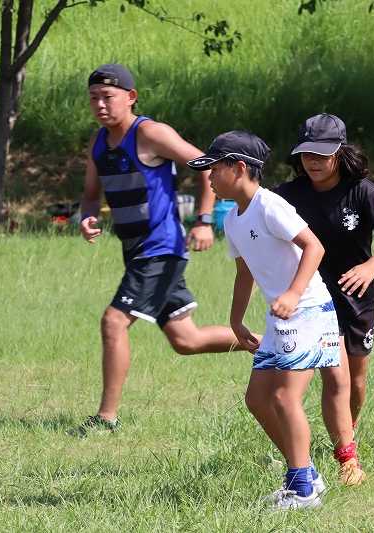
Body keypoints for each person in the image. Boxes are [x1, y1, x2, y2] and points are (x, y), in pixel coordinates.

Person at [75, 64, 247, 436]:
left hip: (161, 249)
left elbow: (206, 167)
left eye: (108, 97)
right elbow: (90, 196)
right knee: (187, 340)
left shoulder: (150, 133)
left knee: (113, 322)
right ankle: (273, 345)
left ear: (131, 97)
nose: (100, 105)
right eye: (93, 98)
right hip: (136, 252)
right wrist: (87, 217)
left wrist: (204, 220)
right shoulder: (98, 143)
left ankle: (106, 419)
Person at [188, 130, 339, 510]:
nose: (208, 177)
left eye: (214, 169)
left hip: (307, 310)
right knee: (257, 400)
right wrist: (236, 321)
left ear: (239, 168)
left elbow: (314, 247)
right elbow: (245, 273)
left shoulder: (270, 205)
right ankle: (305, 474)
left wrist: (293, 294)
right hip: (280, 318)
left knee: (285, 397)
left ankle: (302, 490)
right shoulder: (232, 220)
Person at [276, 113, 374, 471]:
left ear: (340, 152)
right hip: (311, 298)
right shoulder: (287, 196)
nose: (313, 161)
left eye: (322, 153)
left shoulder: (362, 191)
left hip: (357, 296)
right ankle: (346, 456)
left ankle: (348, 431)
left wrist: (371, 267)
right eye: (307, 153)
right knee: (334, 375)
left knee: (356, 379)